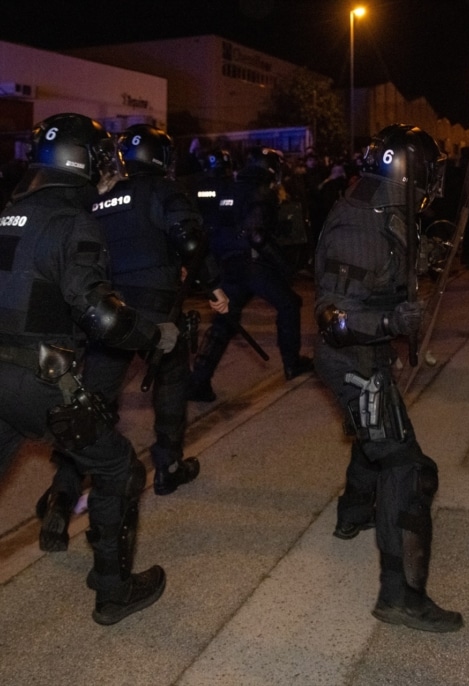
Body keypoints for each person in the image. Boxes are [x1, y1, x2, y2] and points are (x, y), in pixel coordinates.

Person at [0, 112, 175, 624]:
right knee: (119, 469)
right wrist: (153, 334)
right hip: (44, 383)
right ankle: (113, 590)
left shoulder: (9, 214)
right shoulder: (74, 223)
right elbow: (100, 314)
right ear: (83, 163)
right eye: (102, 159)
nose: (109, 170)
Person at [36, 124, 229, 552]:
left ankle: (62, 495)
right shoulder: (162, 190)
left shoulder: (103, 198)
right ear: (162, 158)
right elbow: (191, 241)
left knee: (91, 408)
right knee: (172, 380)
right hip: (158, 309)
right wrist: (213, 286)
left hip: (112, 313)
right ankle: (169, 466)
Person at [313, 124, 463, 633]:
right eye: (428, 172)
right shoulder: (359, 221)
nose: (432, 185)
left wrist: (425, 260)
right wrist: (387, 325)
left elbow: (385, 272)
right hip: (350, 356)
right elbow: (333, 320)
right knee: (408, 468)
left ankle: (353, 512)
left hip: (369, 353)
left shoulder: (387, 207)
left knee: (375, 435)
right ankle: (401, 597)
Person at [188, 146, 312, 402]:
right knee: (289, 303)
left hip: (228, 264)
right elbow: (256, 234)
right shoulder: (261, 191)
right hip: (252, 265)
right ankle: (292, 363)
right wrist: (285, 266)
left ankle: (199, 380)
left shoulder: (230, 187)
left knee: (225, 320)